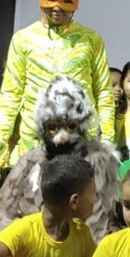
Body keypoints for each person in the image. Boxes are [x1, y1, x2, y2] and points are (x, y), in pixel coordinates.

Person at [0, 0, 115, 167]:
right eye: (51, 0)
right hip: (34, 142)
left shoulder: (91, 39)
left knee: (78, 200)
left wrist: (108, 141)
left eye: (66, 2)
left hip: (82, 141)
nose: (57, 8)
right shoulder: (23, 38)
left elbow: (103, 91)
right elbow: (11, 95)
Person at [0, 76, 119, 242]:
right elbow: (6, 213)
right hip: (34, 248)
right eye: (53, 127)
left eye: (71, 126)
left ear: (82, 124)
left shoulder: (98, 159)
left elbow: (101, 220)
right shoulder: (32, 160)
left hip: (84, 249)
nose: (63, 138)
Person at [0, 155, 96, 257]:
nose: (96, 198)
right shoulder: (25, 230)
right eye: (93, 192)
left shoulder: (83, 234)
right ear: (74, 201)